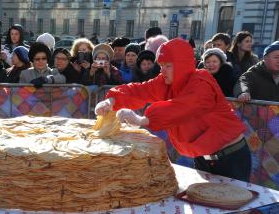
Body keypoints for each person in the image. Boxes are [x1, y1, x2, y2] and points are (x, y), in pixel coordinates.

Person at [95, 38, 251, 182]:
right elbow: (140, 90)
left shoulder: (202, 82)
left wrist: (142, 120)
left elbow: (182, 108)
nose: (162, 71)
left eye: (168, 65)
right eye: (161, 65)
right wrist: (111, 100)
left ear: (182, 64)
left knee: (235, 207)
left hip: (231, 157)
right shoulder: (165, 81)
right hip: (203, 156)